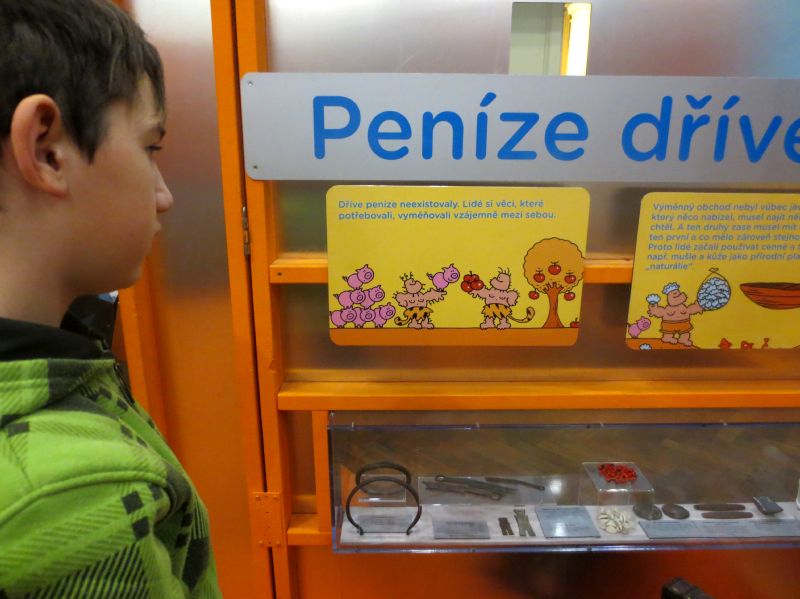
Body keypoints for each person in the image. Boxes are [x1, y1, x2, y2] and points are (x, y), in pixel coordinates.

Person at [0, 1, 221, 596]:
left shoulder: (61, 358)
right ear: (46, 150)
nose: (164, 194)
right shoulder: (75, 502)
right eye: (150, 148)